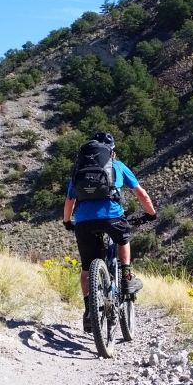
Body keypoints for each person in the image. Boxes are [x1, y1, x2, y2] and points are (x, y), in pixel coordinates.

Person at [62, 132, 156, 332]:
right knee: (123, 239)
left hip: (84, 221)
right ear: (112, 152)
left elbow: (70, 201)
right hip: (113, 216)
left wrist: (67, 221)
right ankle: (126, 277)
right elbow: (142, 194)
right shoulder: (118, 166)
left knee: (87, 269)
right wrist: (151, 214)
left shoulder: (80, 169)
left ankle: (89, 312)